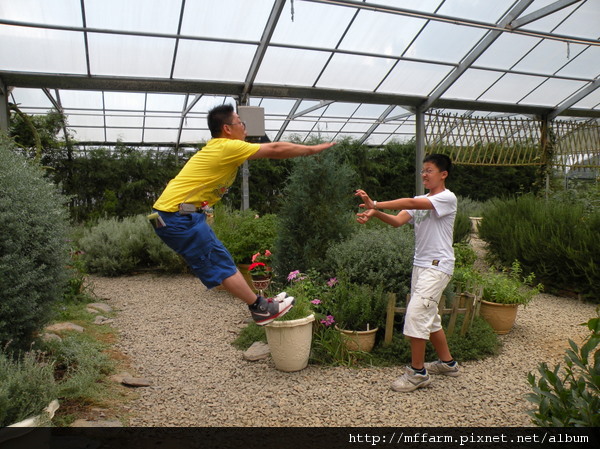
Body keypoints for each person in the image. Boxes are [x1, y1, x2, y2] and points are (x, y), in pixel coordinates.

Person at [151, 104, 335, 325]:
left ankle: (260, 304)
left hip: (181, 215)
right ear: (228, 128)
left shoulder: (221, 148)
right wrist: (312, 149)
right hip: (176, 217)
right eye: (241, 123)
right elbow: (275, 149)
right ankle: (260, 309)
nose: (245, 128)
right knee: (220, 265)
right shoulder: (227, 146)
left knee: (223, 260)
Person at [354, 154, 459, 392]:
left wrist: (376, 203)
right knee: (429, 317)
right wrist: (375, 213)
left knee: (415, 315)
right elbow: (397, 221)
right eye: (423, 170)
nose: (424, 174)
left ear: (443, 174)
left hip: (437, 265)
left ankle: (417, 373)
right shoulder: (422, 198)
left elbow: (410, 204)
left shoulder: (446, 198)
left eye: (429, 170)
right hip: (420, 265)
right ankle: (448, 363)